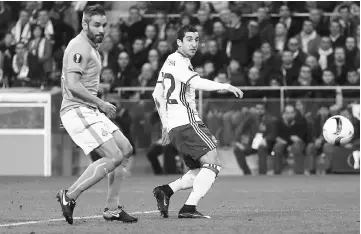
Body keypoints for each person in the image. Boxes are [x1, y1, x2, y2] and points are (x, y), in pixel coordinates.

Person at [55, 5, 137, 225]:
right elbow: (72, 85)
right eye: (96, 25)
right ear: (84, 24)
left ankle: (112, 208)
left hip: (88, 109)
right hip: (76, 109)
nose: (101, 30)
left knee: (125, 149)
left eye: (104, 25)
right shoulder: (79, 47)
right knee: (114, 157)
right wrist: (101, 103)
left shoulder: (90, 47)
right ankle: (70, 195)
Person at [152, 25, 243, 219]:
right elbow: (196, 82)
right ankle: (189, 208)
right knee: (213, 164)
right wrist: (225, 86)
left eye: (197, 39)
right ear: (179, 42)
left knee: (199, 169)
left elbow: (156, 94)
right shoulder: (180, 62)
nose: (194, 44)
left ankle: (166, 190)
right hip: (187, 122)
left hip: (177, 126)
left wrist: (166, 125)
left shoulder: (169, 60)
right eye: (189, 39)